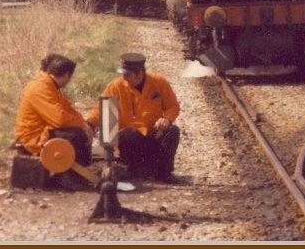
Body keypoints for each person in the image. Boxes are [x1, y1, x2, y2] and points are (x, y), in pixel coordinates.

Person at [86, 53, 182, 183]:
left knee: (172, 131)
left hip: (153, 133)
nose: (123, 77)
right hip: (130, 139)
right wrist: (89, 124)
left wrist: (167, 119)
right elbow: (101, 110)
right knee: (129, 134)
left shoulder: (159, 82)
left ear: (139, 74)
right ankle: (134, 171)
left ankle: (164, 172)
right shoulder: (115, 86)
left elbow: (173, 106)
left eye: (127, 74)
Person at [14, 53, 94, 189]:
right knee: (75, 135)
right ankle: (65, 177)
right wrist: (82, 126)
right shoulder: (39, 88)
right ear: (66, 75)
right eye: (70, 77)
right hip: (32, 137)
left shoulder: (49, 85)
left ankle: (76, 174)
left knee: (78, 131)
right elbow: (60, 119)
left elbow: (68, 109)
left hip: (41, 131)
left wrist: (84, 124)